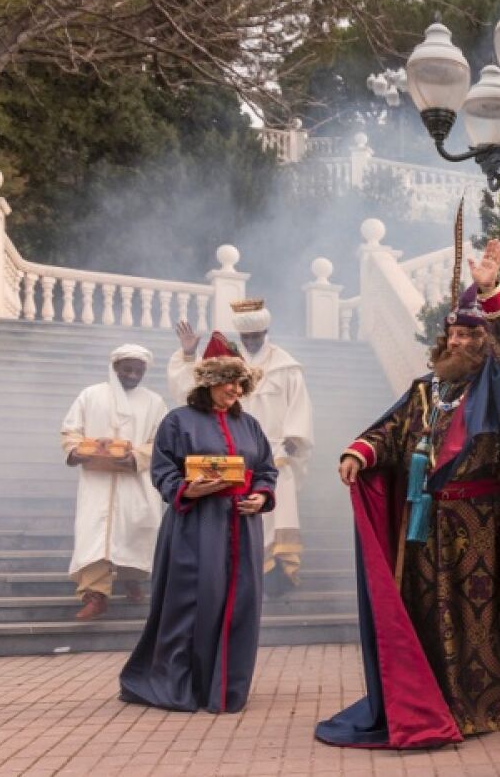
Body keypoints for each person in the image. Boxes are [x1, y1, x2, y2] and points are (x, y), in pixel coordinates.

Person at [315, 239, 500, 748]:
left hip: (483, 528)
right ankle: (433, 701)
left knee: (479, 622)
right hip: (425, 528)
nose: (458, 341)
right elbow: (391, 432)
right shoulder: (426, 390)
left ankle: (480, 707)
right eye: (453, 332)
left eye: (470, 334)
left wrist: (491, 292)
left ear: (485, 341)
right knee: (428, 617)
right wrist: (360, 453)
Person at [120, 333, 278, 714]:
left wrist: (261, 496)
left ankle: (225, 689)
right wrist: (187, 490)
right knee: (191, 604)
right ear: (209, 382)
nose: (236, 390)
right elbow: (163, 471)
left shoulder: (251, 425)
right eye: (229, 382)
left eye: (241, 383)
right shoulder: (178, 421)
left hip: (243, 527)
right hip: (195, 527)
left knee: (240, 604)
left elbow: (266, 469)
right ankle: (181, 685)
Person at [170, 298, 312, 593]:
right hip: (232, 450)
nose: (250, 341)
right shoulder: (228, 362)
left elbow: (299, 404)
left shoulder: (286, 366)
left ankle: (277, 575)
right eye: (246, 336)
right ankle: (240, 573)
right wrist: (188, 353)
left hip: (276, 451)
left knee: (278, 512)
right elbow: (191, 390)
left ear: (266, 332)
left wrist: (295, 436)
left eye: (255, 336)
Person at [60, 344, 168, 620]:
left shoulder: (155, 402)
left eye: (138, 371)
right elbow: (71, 431)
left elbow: (162, 441)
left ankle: (131, 579)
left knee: (135, 530)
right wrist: (79, 451)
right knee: (94, 534)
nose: (133, 375)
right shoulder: (90, 395)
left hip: (136, 480)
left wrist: (136, 456)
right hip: (97, 481)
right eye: (127, 369)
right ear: (114, 367)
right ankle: (96, 594)